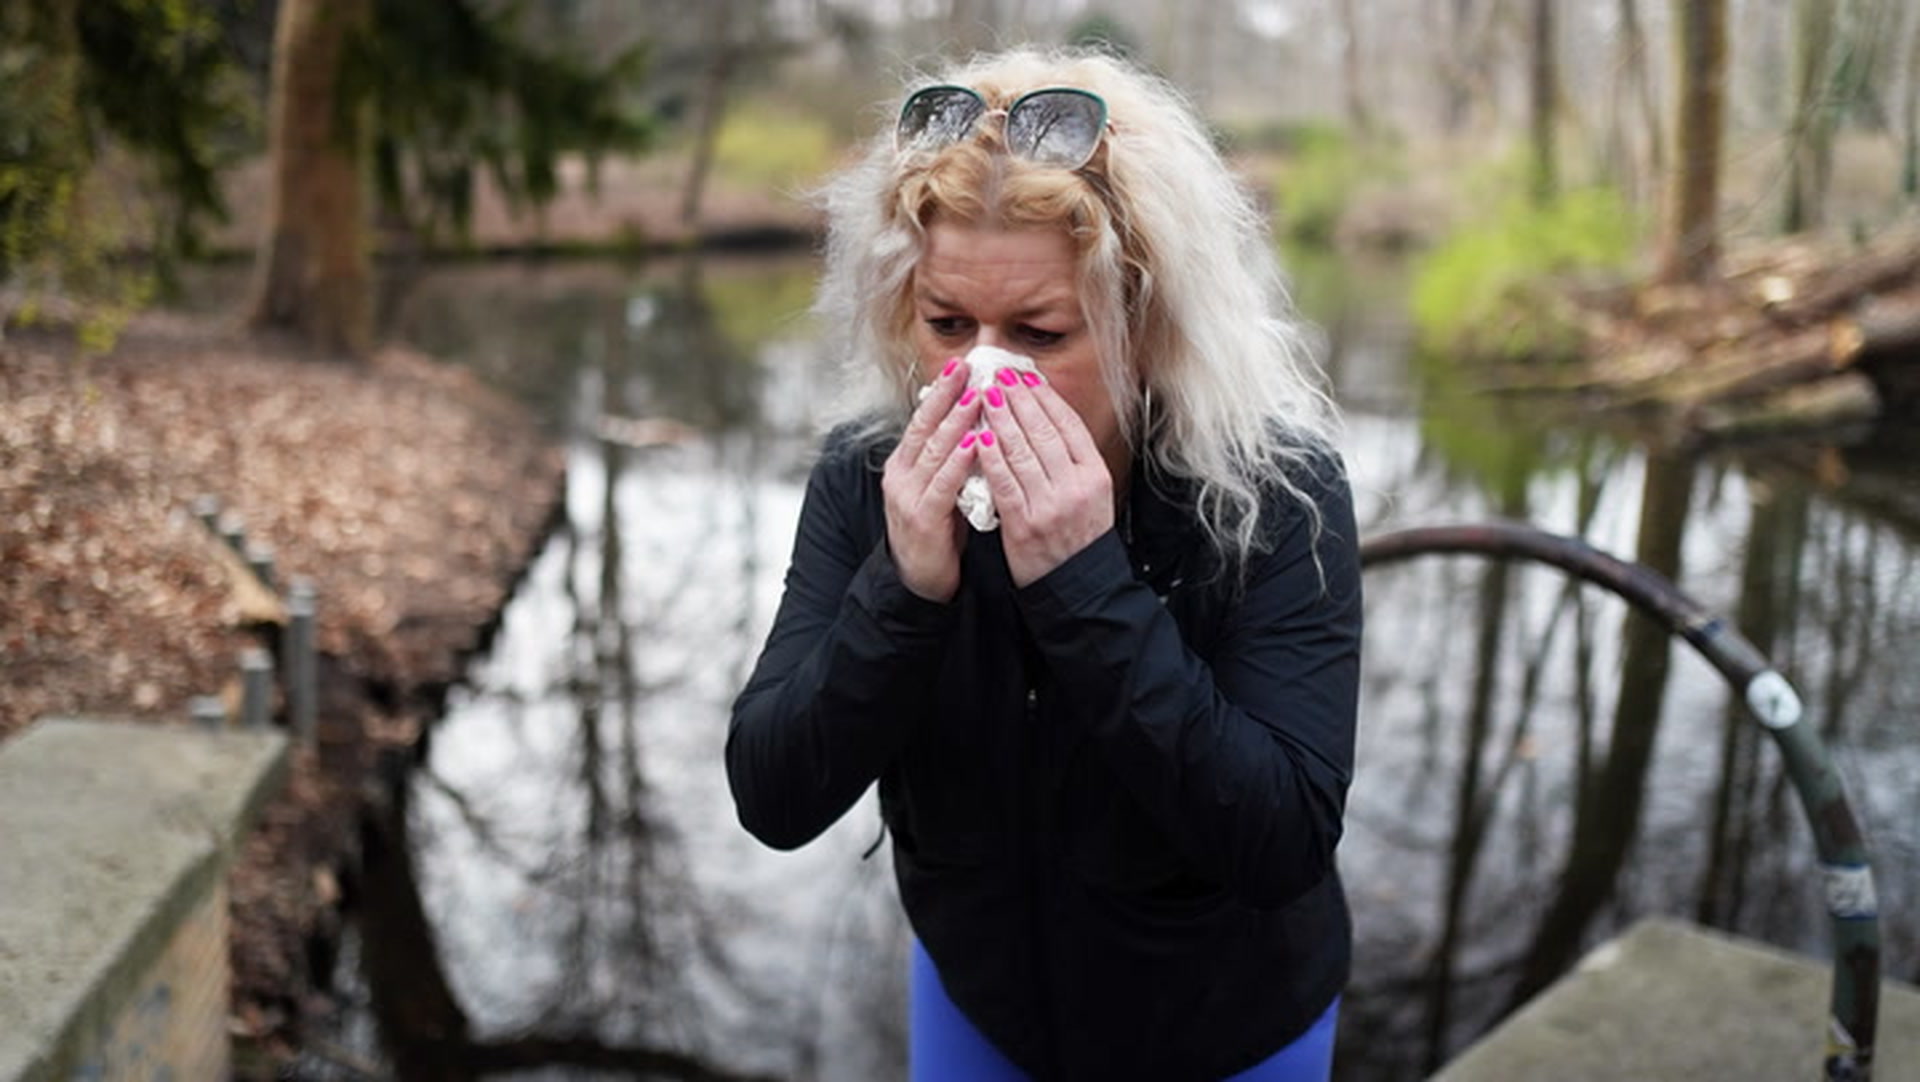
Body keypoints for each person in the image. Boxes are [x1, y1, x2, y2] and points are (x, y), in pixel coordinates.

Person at [727, 47, 1361, 1082]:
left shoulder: (1272, 492)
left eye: (1039, 331)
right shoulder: (865, 476)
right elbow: (773, 791)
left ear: (1145, 325)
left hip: (1229, 1025)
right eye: (947, 325)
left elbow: (1282, 838)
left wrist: (1082, 583)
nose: (982, 372)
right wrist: (905, 587)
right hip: (982, 1006)